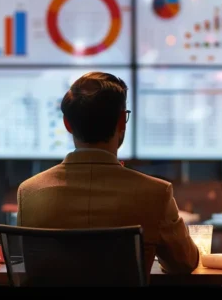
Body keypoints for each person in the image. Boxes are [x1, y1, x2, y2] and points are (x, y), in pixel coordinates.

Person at [16, 72, 199, 277]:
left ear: (67, 124)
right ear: (122, 122)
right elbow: (184, 264)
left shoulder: (29, 192)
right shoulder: (156, 193)